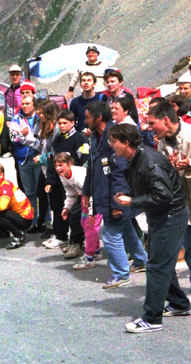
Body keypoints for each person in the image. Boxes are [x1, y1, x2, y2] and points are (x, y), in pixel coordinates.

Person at [109, 124, 191, 333]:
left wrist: (132, 201)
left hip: (170, 216)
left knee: (156, 266)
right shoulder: (136, 158)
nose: (111, 145)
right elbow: (149, 187)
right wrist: (128, 195)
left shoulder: (149, 161)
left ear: (126, 143)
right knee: (160, 262)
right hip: (160, 215)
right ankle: (179, 304)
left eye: (113, 141)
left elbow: (164, 196)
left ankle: (152, 318)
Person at [82, 101, 147, 283]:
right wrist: (86, 192)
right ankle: (141, 260)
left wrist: (117, 204)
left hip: (117, 196)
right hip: (104, 193)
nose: (85, 121)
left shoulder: (115, 137)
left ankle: (121, 274)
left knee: (110, 235)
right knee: (125, 228)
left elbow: (119, 174)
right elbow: (93, 167)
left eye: (87, 117)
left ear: (99, 117)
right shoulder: (95, 138)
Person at [147, 101, 191, 293]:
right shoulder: (163, 142)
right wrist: (171, 168)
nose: (149, 129)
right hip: (183, 204)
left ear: (166, 120)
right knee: (189, 248)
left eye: (151, 123)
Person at [42, 110, 88, 257]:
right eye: (59, 123)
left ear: (72, 123)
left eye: (65, 123)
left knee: (77, 214)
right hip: (61, 179)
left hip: (77, 181)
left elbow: (85, 160)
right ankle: (61, 236)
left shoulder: (80, 139)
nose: (61, 126)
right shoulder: (57, 140)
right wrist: (50, 179)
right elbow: (52, 160)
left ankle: (79, 242)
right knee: (60, 208)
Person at [53, 153, 101, 268]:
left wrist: (91, 212)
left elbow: (93, 194)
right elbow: (71, 193)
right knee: (84, 224)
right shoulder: (63, 175)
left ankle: (89, 258)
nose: (58, 168)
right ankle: (97, 251)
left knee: (91, 227)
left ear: (69, 164)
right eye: (56, 166)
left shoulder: (79, 176)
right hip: (86, 199)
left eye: (61, 165)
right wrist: (66, 207)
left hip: (97, 199)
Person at [0, 164, 34, 250]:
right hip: (17, 215)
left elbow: (2, 206)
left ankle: (18, 235)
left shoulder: (6, 186)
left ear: (1, 175)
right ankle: (3, 231)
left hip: (25, 220)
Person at [9, 94, 43, 232]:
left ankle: (45, 221)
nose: (25, 106)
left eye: (28, 103)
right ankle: (33, 221)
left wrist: (28, 134)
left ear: (34, 104)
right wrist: (20, 134)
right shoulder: (16, 118)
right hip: (23, 159)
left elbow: (42, 136)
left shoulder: (39, 118)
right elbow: (12, 137)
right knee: (29, 192)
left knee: (42, 191)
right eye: (23, 104)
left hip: (38, 157)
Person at [33, 99, 58, 238]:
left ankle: (57, 230)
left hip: (52, 168)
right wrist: (23, 136)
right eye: (38, 112)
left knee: (54, 200)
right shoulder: (42, 125)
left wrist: (41, 159)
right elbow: (39, 145)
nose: (39, 114)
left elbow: (56, 152)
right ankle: (46, 224)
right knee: (41, 194)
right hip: (44, 168)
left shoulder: (55, 128)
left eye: (42, 112)